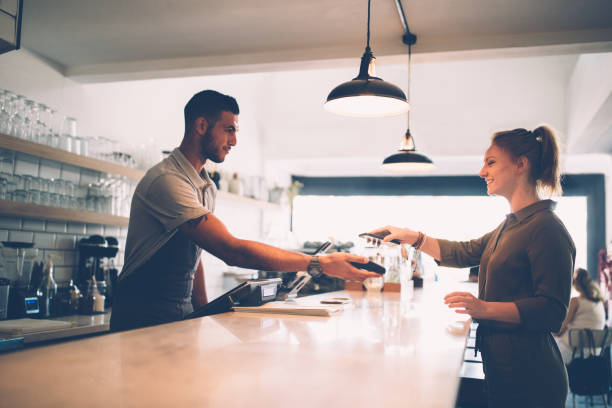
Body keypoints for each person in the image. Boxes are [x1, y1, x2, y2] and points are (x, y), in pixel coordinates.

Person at [110, 90, 377, 332]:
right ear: (201, 126)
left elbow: (195, 255)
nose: (234, 141)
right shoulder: (167, 181)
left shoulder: (205, 185)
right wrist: (318, 263)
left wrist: (202, 312)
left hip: (177, 316)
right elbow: (231, 250)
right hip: (141, 318)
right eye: (229, 130)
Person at [370, 126, 575, 407]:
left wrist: (484, 308)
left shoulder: (547, 228)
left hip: (531, 376)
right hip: (504, 370)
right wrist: (412, 236)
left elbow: (552, 311)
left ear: (520, 165)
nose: (482, 172)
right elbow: (464, 252)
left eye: (490, 162)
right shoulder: (511, 224)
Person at [554, 268, 606, 365]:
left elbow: (562, 327)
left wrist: (552, 333)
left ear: (575, 284)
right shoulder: (599, 302)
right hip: (594, 352)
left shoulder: (576, 301)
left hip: (573, 351)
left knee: (548, 349)